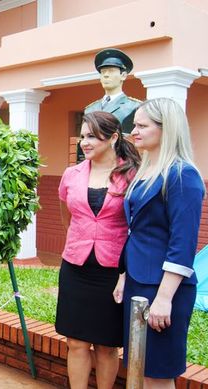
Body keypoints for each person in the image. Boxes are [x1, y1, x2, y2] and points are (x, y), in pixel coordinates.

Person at [113, 98, 204, 388]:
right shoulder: (146, 171)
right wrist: (124, 276)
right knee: (139, 367)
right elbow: (136, 232)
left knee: (157, 374)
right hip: (139, 281)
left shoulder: (182, 175)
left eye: (142, 125)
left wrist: (164, 298)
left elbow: (183, 243)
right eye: (134, 125)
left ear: (166, 129)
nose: (134, 132)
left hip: (165, 289)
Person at [56, 111, 140, 389]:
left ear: (113, 137)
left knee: (106, 345)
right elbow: (67, 216)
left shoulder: (132, 175)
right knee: (76, 341)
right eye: (82, 136)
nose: (84, 142)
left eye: (92, 136)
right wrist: (80, 238)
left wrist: (126, 272)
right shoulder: (72, 174)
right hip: (75, 267)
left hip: (113, 271)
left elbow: (137, 226)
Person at [85, 48, 141, 134]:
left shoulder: (134, 106)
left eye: (111, 71)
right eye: (103, 72)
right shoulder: (89, 109)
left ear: (123, 75)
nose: (106, 75)